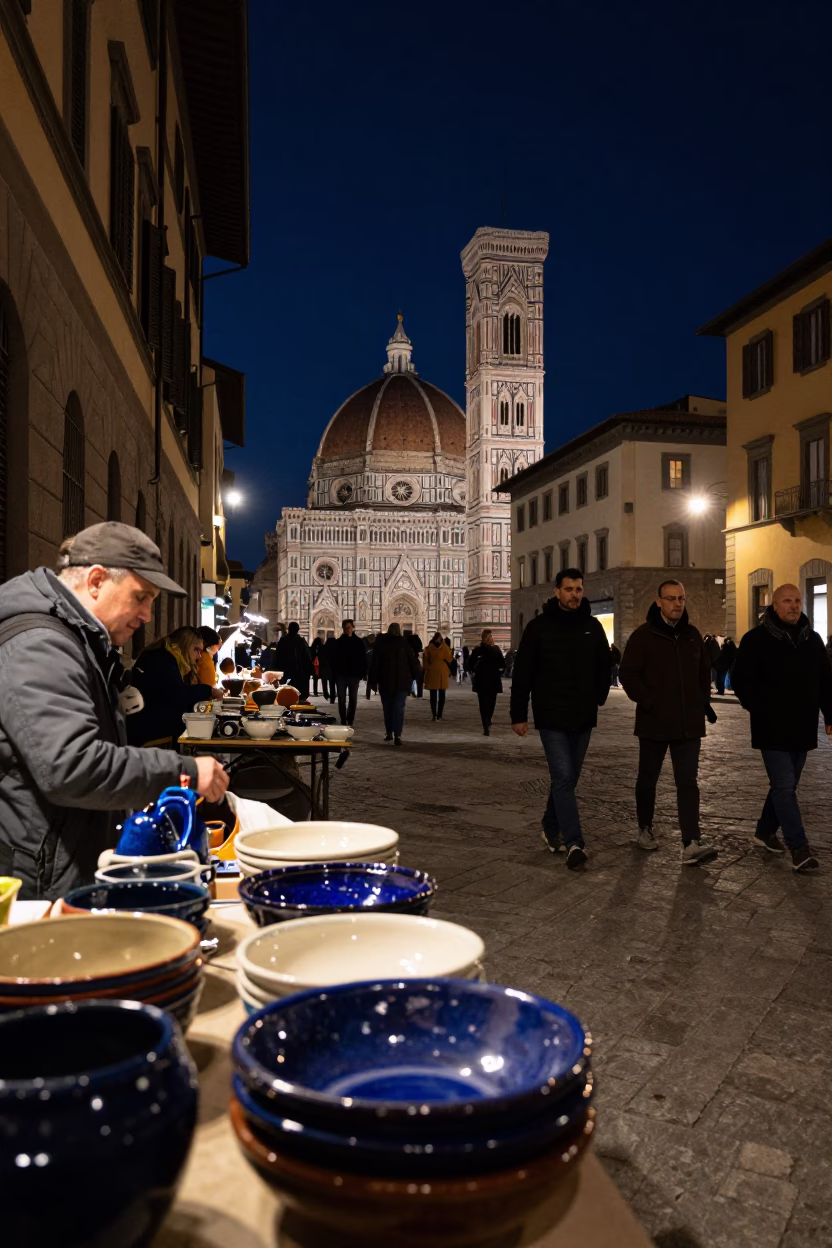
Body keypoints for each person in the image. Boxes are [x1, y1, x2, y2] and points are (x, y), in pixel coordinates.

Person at [0, 523, 228, 899]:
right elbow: (72, 767)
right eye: (141, 597)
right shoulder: (41, 646)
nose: (147, 616)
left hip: (56, 864)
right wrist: (183, 771)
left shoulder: (76, 640)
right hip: (36, 882)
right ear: (95, 581)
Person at [510, 569, 611, 868]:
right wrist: (519, 714)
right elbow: (523, 674)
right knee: (564, 777)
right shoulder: (538, 628)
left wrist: (599, 696)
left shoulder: (592, 627)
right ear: (556, 591)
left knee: (568, 779)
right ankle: (575, 843)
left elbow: (604, 665)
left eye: (579, 589)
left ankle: (550, 826)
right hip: (551, 716)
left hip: (582, 716)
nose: (575, 595)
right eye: (569, 589)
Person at [731, 583, 832, 872]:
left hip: (802, 727)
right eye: (787, 601)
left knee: (786, 786)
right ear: (774, 606)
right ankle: (799, 848)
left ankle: (764, 830)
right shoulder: (756, 640)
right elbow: (741, 681)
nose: (794, 605)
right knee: (785, 786)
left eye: (797, 600)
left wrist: (830, 714)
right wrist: (759, 707)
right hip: (771, 727)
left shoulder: (812, 640)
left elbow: (826, 680)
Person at [619, 580, 718, 864]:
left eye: (681, 599)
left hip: (688, 724)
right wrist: (648, 702)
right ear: (658, 601)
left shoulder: (691, 635)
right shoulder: (643, 636)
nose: (677, 604)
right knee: (647, 779)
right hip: (654, 722)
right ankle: (645, 827)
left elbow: (703, 671)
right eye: (671, 599)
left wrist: (700, 703)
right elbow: (628, 674)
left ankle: (691, 841)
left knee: (688, 782)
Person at [127, 626, 223, 747]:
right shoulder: (162, 660)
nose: (199, 656)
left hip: (145, 723)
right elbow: (179, 694)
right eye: (196, 650)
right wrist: (209, 690)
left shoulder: (163, 657)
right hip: (147, 729)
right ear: (184, 645)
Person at [367, 622, 419, 745]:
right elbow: (413, 662)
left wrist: (373, 681)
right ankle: (397, 735)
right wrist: (416, 676)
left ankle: (390, 732)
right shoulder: (404, 644)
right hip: (401, 682)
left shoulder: (381, 645)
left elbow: (374, 665)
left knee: (388, 708)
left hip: (385, 682)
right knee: (398, 708)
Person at [469, 629, 506, 734]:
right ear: (489, 638)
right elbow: (503, 665)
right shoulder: (494, 650)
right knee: (491, 702)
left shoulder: (479, 650)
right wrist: (499, 671)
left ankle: (486, 723)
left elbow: (471, 664)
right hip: (492, 679)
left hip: (482, 680)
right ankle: (487, 721)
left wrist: (476, 671)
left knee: (484, 703)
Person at [333, 619, 368, 725]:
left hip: (354, 675)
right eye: (346, 628)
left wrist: (363, 673)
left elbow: (363, 658)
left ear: (353, 628)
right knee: (341, 699)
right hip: (341, 675)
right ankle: (343, 719)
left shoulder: (359, 642)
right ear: (343, 629)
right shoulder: (338, 642)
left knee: (353, 699)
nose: (348, 630)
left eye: (349, 627)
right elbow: (334, 659)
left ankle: (350, 718)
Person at [274, 622, 314, 701]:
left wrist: (276, 669)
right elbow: (307, 657)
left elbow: (277, 656)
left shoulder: (283, 641)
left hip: (285, 671)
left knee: (284, 693)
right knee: (297, 694)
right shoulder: (301, 641)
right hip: (298, 672)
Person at [423, 632, 453, 720]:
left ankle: (434, 715)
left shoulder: (429, 648)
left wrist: (427, 667)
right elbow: (449, 658)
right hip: (442, 671)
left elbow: (425, 660)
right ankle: (439, 715)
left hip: (432, 671)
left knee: (433, 694)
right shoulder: (444, 647)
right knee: (442, 694)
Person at [310, 636, 333, 700]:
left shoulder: (312, 648)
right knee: (324, 680)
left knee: (315, 679)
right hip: (322, 665)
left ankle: (315, 692)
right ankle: (326, 693)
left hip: (315, 665)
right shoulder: (323, 648)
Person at [407, 632, 424, 696]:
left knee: (410, 677)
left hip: (408, 661)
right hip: (415, 661)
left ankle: (409, 691)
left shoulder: (407, 640)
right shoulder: (417, 640)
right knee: (419, 678)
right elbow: (419, 650)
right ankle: (419, 693)